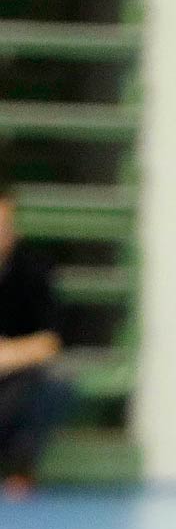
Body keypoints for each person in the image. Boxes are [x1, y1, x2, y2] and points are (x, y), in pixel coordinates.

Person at [0, 182, 74, 498]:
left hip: (17, 374)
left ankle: (20, 469)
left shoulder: (33, 269)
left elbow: (50, 340)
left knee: (52, 384)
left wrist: (9, 355)